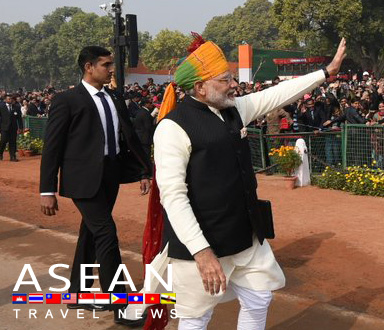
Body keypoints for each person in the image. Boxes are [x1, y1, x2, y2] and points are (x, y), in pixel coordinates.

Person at [150, 37, 347, 330]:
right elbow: (173, 197)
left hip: (244, 235)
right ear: (200, 87)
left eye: (231, 78)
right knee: (196, 316)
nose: (234, 85)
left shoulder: (235, 109)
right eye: (224, 79)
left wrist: (326, 71)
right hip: (201, 244)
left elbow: (279, 94)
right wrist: (201, 253)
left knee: (258, 298)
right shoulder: (171, 127)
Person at [39, 46, 151, 326]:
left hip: (110, 176)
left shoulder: (114, 97)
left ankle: (77, 292)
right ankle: (121, 308)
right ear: (89, 67)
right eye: (106, 64)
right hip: (81, 181)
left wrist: (144, 170)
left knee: (91, 232)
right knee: (106, 234)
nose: (111, 69)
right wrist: (47, 190)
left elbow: (129, 138)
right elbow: (52, 147)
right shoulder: (67, 100)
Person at [0, 94, 24, 161]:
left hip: (13, 128)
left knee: (13, 142)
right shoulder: (1, 106)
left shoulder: (16, 107)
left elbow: (19, 118)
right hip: (4, 127)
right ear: (5, 100)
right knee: (3, 141)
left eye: (11, 99)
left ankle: (13, 156)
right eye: (9, 99)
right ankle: (0, 153)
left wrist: (21, 127)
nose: (10, 100)